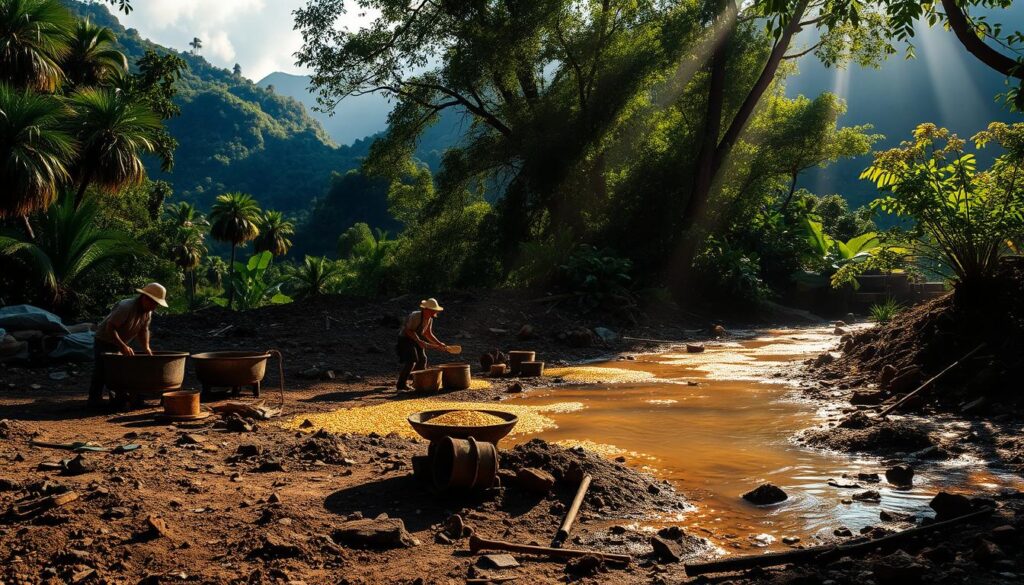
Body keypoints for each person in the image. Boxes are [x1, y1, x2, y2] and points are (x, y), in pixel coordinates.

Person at [88, 282, 168, 407]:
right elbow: (111, 328)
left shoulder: (148, 312)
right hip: (104, 339)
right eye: (154, 303)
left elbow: (144, 330)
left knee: (120, 370)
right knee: (102, 370)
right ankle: (93, 400)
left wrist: (146, 347)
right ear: (145, 298)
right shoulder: (126, 307)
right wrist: (122, 346)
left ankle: (120, 397)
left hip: (121, 341)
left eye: (157, 304)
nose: (155, 307)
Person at [396, 298, 448, 391]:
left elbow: (428, 333)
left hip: (417, 339)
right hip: (405, 338)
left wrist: (439, 343)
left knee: (422, 359)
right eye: (432, 310)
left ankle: (417, 381)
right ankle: (401, 384)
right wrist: (419, 341)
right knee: (412, 360)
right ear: (425, 309)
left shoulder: (429, 319)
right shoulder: (415, 316)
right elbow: (408, 330)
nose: (434, 312)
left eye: (434, 310)